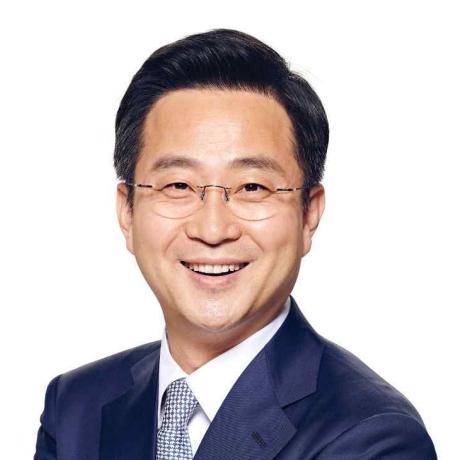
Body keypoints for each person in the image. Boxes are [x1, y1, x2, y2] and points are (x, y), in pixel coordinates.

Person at [34, 28, 437, 460]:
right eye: (178, 185)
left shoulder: (373, 437)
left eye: (251, 187)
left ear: (309, 214)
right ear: (127, 212)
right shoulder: (76, 406)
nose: (212, 229)